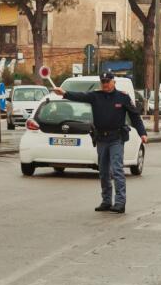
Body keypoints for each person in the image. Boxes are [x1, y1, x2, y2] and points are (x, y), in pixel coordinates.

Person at [53, 72, 147, 214]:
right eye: (103, 82)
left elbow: (134, 116)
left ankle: (120, 202)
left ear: (113, 82)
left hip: (116, 138)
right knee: (103, 172)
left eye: (108, 81)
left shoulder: (123, 97)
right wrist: (64, 93)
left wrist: (142, 133)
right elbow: (80, 96)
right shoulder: (96, 96)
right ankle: (107, 201)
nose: (105, 84)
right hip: (101, 139)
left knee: (117, 170)